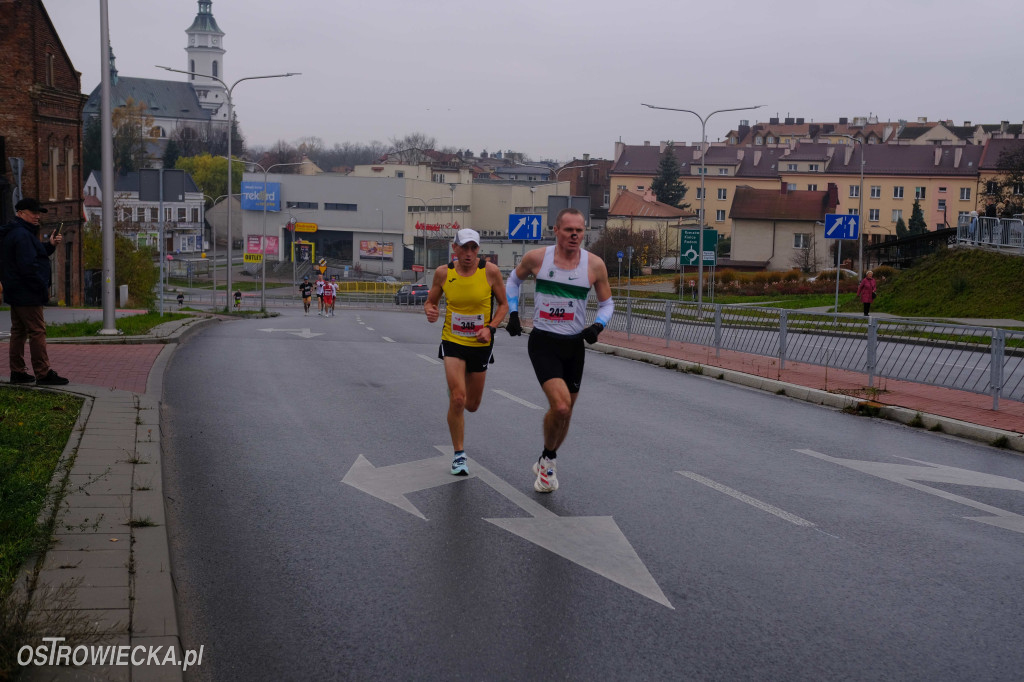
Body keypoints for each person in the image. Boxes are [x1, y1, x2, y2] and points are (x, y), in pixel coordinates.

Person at [505, 208, 613, 493]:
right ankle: (549, 462)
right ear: (556, 230)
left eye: (579, 230)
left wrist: (597, 327)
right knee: (561, 405)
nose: (575, 235)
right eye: (568, 229)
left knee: (566, 413)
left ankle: (547, 457)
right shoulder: (538, 258)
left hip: (574, 345)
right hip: (544, 342)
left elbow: (607, 304)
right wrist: (513, 313)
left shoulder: (594, 265)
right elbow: (513, 281)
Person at [424, 228, 508, 476]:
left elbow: (503, 305)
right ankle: (459, 455)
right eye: (465, 248)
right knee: (458, 399)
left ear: (478, 250)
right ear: (455, 248)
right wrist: (429, 310)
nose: (469, 253)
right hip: (452, 340)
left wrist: (490, 328)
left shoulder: (490, 271)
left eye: (474, 248)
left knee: (471, 405)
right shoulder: (443, 273)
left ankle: (457, 389)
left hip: (480, 343)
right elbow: (431, 301)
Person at [0, 198, 69, 385]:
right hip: (27, 292)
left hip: (17, 290)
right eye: (33, 213)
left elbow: (33, 255)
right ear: (21, 213)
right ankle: (43, 373)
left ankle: (18, 371)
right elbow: (28, 265)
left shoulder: (17, 232)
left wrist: (50, 245)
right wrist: (41, 285)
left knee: (18, 331)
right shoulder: (22, 235)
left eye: (38, 213)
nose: (37, 216)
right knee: (37, 331)